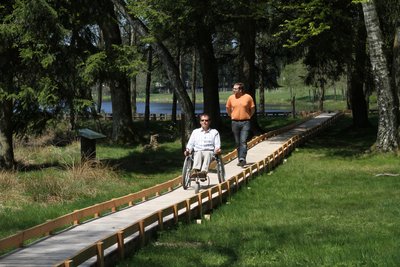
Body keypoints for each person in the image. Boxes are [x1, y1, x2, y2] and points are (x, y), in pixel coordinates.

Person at [225, 82, 255, 167]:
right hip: (235, 122)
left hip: (245, 122)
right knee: (237, 142)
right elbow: (227, 108)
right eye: (233, 88)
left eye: (235, 89)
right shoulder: (231, 98)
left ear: (240, 90)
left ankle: (242, 158)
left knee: (243, 141)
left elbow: (252, 109)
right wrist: (231, 116)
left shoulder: (248, 97)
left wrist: (249, 116)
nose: (233, 90)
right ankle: (240, 159)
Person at [184, 113, 221, 178]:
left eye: (206, 120)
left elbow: (217, 144)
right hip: (198, 151)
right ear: (200, 122)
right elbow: (190, 143)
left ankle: (203, 172)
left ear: (209, 122)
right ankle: (195, 170)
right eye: (202, 120)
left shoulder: (214, 132)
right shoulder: (195, 132)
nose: (204, 122)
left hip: (209, 151)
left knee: (207, 153)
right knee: (198, 153)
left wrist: (217, 150)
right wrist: (188, 150)